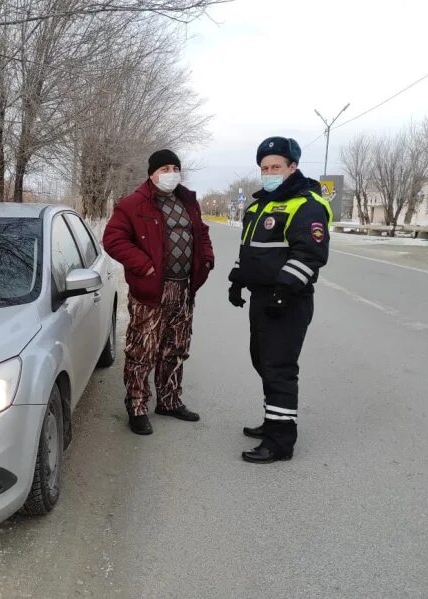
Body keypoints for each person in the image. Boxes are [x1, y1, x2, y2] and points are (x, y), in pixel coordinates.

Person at [228, 137, 332, 463]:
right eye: (265, 167)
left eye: (276, 166)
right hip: (263, 299)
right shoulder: (260, 206)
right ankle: (274, 422)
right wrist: (237, 280)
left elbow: (310, 254)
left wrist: (282, 291)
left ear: (293, 167)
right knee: (262, 361)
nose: (270, 172)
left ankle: (280, 442)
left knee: (279, 369)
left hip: (288, 301)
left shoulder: (307, 204)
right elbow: (250, 253)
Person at [103, 149, 214, 435]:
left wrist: (207, 258)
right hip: (151, 290)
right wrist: (145, 266)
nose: (171, 173)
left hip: (183, 288)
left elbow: (201, 233)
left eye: (175, 168)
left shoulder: (188, 202)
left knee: (176, 348)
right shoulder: (133, 204)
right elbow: (113, 239)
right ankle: (137, 406)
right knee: (143, 350)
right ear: (152, 173)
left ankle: (169, 400)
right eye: (165, 168)